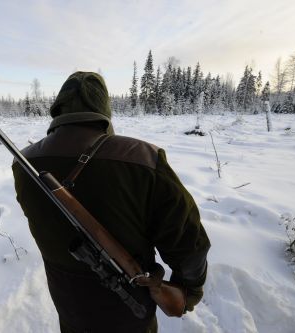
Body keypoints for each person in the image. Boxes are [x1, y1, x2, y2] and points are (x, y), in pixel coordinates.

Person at [12, 72, 210, 333]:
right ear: (103, 111)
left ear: (58, 109)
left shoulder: (24, 163)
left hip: (69, 307)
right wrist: (188, 291)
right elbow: (189, 244)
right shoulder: (143, 159)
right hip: (129, 315)